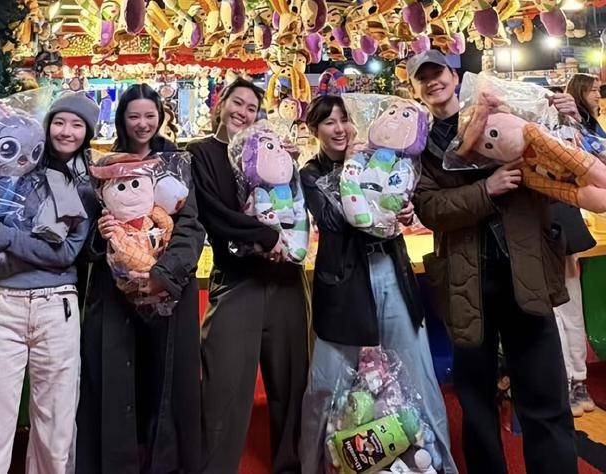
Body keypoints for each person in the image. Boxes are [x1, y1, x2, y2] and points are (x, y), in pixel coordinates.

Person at [408, 49, 578, 474]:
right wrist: (486, 190)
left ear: (454, 76)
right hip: (466, 281)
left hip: (525, 272)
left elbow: (566, 167)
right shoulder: (417, 144)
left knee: (543, 392)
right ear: (416, 89)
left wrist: (571, 122)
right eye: (423, 77)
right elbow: (430, 208)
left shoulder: (509, 112)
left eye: (438, 72)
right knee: (476, 398)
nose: (433, 82)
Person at [298, 95, 457, 473]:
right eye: (329, 122)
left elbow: (399, 202)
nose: (340, 129)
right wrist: (358, 176)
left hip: (390, 270)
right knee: (326, 382)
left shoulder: (387, 159)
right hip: (343, 282)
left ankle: (440, 464)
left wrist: (404, 208)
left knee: (419, 371)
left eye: (345, 119)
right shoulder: (310, 173)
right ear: (314, 130)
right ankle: (313, 465)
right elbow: (334, 221)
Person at [0, 91, 99, 473]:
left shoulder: (84, 185)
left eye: (77, 124)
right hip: (2, 304)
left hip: (56, 307)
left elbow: (65, 252)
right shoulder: (11, 166)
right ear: (46, 125)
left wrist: (7, 238)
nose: (66, 131)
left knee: (55, 432)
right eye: (59, 121)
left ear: (88, 133)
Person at [76, 83, 205, 474]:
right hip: (116, 291)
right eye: (134, 116)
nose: (143, 123)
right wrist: (103, 235)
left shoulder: (175, 165)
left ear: (160, 117)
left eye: (150, 115)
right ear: (122, 118)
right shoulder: (106, 164)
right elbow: (86, 234)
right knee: (117, 382)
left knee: (165, 383)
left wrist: (162, 275)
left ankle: (166, 464)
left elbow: (191, 225)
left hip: (168, 290)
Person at [188, 77, 309, 474]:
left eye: (252, 108)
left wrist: (290, 166)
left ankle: (290, 466)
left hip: (286, 281)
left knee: (291, 387)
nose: (242, 112)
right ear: (220, 105)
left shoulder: (269, 150)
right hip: (237, 281)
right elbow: (214, 214)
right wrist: (265, 236)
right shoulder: (201, 153)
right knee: (223, 390)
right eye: (236, 103)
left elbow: (296, 205)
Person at [552, 74, 600, 417]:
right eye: (593, 90)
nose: (598, 94)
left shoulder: (571, 126)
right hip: (542, 227)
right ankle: (569, 380)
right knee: (557, 310)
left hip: (560, 224)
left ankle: (575, 380)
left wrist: (577, 119)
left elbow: (597, 156)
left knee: (566, 308)